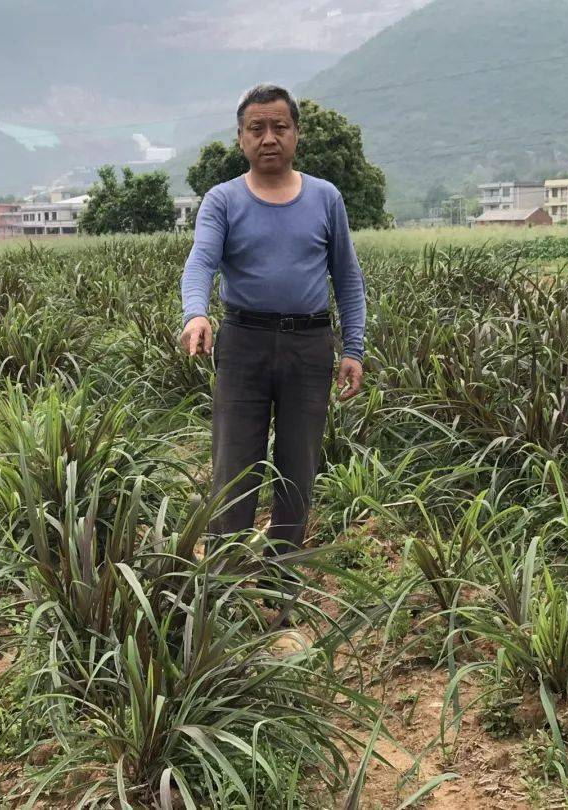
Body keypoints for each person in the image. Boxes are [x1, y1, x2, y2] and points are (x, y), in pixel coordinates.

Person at [179, 83, 367, 566]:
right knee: (234, 466)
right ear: (241, 138)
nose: (268, 138)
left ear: (296, 134)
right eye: (256, 128)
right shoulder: (223, 200)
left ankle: (282, 578)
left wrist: (354, 349)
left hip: (310, 345)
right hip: (244, 343)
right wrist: (196, 312)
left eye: (279, 127)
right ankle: (223, 578)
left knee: (297, 467)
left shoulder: (326, 198)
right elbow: (201, 261)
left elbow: (347, 277)